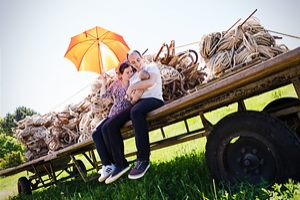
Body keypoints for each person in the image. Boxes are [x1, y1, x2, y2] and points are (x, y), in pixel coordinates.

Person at [104, 50, 164, 184]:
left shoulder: (151, 67)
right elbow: (133, 97)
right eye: (132, 62)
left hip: (154, 99)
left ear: (141, 58)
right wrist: (135, 90)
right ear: (130, 64)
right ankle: (121, 164)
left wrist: (133, 88)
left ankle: (143, 159)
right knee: (110, 126)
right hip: (137, 103)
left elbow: (151, 82)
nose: (136, 64)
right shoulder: (133, 77)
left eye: (137, 60)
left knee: (135, 112)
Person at [92, 61, 133, 183]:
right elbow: (103, 97)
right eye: (127, 72)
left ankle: (117, 162)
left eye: (131, 71)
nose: (130, 74)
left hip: (125, 111)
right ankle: (108, 164)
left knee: (106, 128)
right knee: (96, 133)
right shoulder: (116, 84)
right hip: (113, 114)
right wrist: (104, 82)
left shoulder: (133, 82)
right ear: (120, 74)